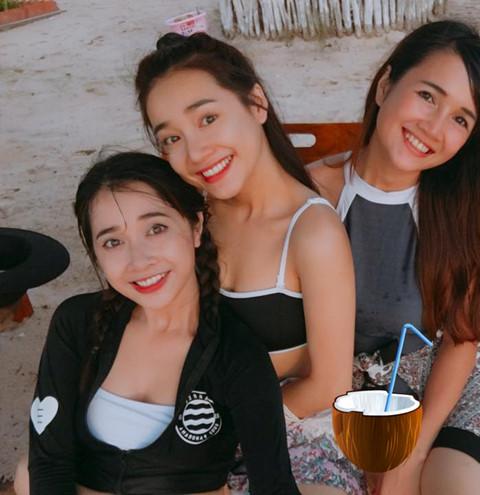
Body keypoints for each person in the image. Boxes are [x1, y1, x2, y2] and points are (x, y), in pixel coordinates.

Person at [135, 34, 362, 495]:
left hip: (294, 428)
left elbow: (329, 384)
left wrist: (222, 435)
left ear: (256, 103)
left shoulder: (312, 232)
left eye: (208, 118)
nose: (195, 152)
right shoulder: (191, 217)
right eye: (172, 138)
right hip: (194, 421)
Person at [310, 20, 480, 495]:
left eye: (461, 119)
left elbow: (463, 334)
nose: (434, 128)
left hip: (444, 378)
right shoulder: (309, 196)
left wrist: (415, 447)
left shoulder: (458, 207)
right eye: (428, 96)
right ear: (386, 84)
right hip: (336, 389)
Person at [15, 152, 300, 495]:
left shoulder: (236, 353)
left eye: (156, 228)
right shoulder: (77, 322)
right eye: (113, 241)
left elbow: (274, 486)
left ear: (195, 227)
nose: (139, 260)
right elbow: (49, 463)